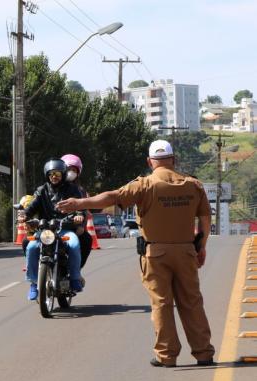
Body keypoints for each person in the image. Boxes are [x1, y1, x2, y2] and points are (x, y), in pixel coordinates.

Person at [56, 139, 215, 367]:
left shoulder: (144, 185)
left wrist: (79, 203)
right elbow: (205, 219)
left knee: (161, 304)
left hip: (156, 254)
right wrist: (201, 246)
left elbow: (112, 197)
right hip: (186, 251)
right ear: (173, 159)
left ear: (150, 162)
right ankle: (204, 353)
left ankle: (167, 356)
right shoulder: (194, 185)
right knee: (192, 302)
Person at [21, 158, 85, 301]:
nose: (54, 177)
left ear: (62, 174)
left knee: (74, 244)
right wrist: (24, 215)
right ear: (47, 175)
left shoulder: (72, 189)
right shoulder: (41, 190)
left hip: (64, 228)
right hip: (45, 230)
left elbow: (80, 206)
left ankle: (75, 278)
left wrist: (79, 215)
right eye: (51, 174)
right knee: (31, 247)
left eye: (57, 173)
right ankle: (33, 283)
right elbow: (31, 207)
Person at [61, 153, 93, 268]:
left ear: (78, 173)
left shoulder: (80, 191)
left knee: (87, 240)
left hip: (72, 226)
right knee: (28, 242)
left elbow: (83, 209)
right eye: (68, 169)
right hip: (50, 227)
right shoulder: (48, 187)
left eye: (73, 170)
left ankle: (76, 271)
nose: (70, 172)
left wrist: (81, 225)